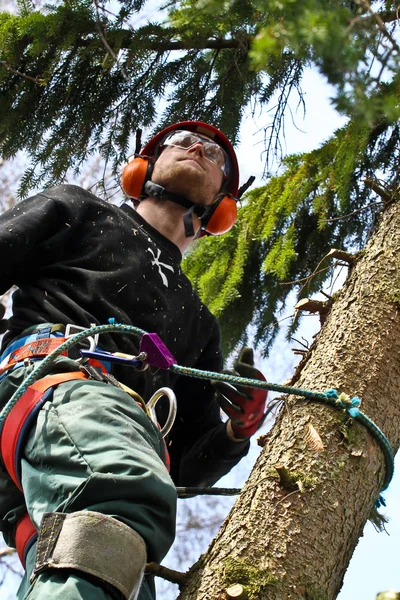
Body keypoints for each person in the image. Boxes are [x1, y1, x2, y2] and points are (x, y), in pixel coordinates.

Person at [0, 121, 268, 600]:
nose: (197, 149)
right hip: (56, 385)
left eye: (215, 155)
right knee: (120, 501)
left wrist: (235, 433)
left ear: (221, 206)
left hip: (88, 438)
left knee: (117, 571)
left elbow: (184, 463)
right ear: (143, 168)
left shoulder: (198, 321)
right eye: (181, 142)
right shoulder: (80, 210)